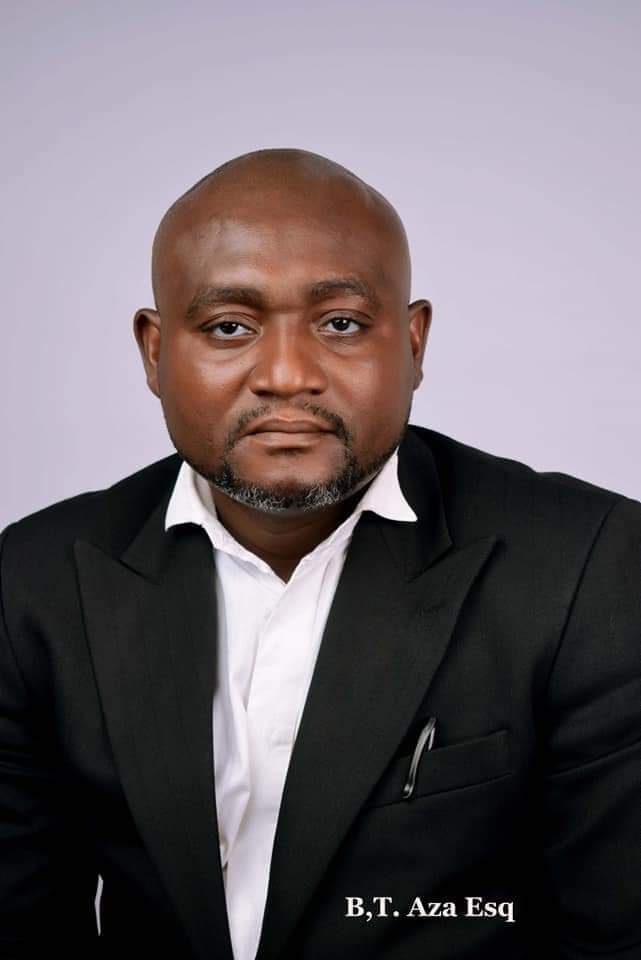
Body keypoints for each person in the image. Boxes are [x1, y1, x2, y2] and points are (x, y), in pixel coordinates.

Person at [0, 148, 639, 960]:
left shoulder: (586, 567)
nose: (286, 375)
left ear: (413, 343)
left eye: (340, 324)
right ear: (154, 353)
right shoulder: (35, 582)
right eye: (229, 328)